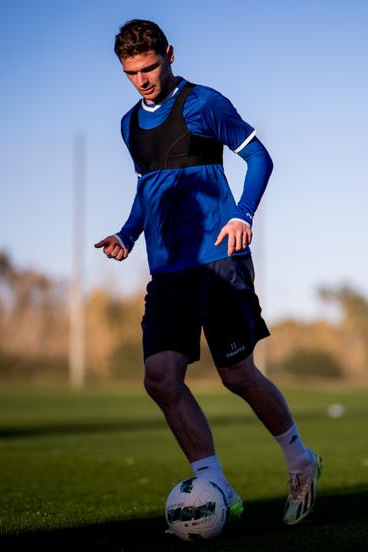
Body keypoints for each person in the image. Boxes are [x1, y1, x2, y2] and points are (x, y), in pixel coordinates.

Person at [94, 19, 322, 525]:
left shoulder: (204, 103)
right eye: (132, 72)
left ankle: (301, 462)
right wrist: (129, 234)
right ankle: (216, 485)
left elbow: (260, 157)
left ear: (169, 54)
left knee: (237, 374)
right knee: (160, 379)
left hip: (219, 259)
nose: (144, 79)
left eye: (150, 67)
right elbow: (147, 187)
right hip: (169, 272)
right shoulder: (129, 124)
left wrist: (243, 213)